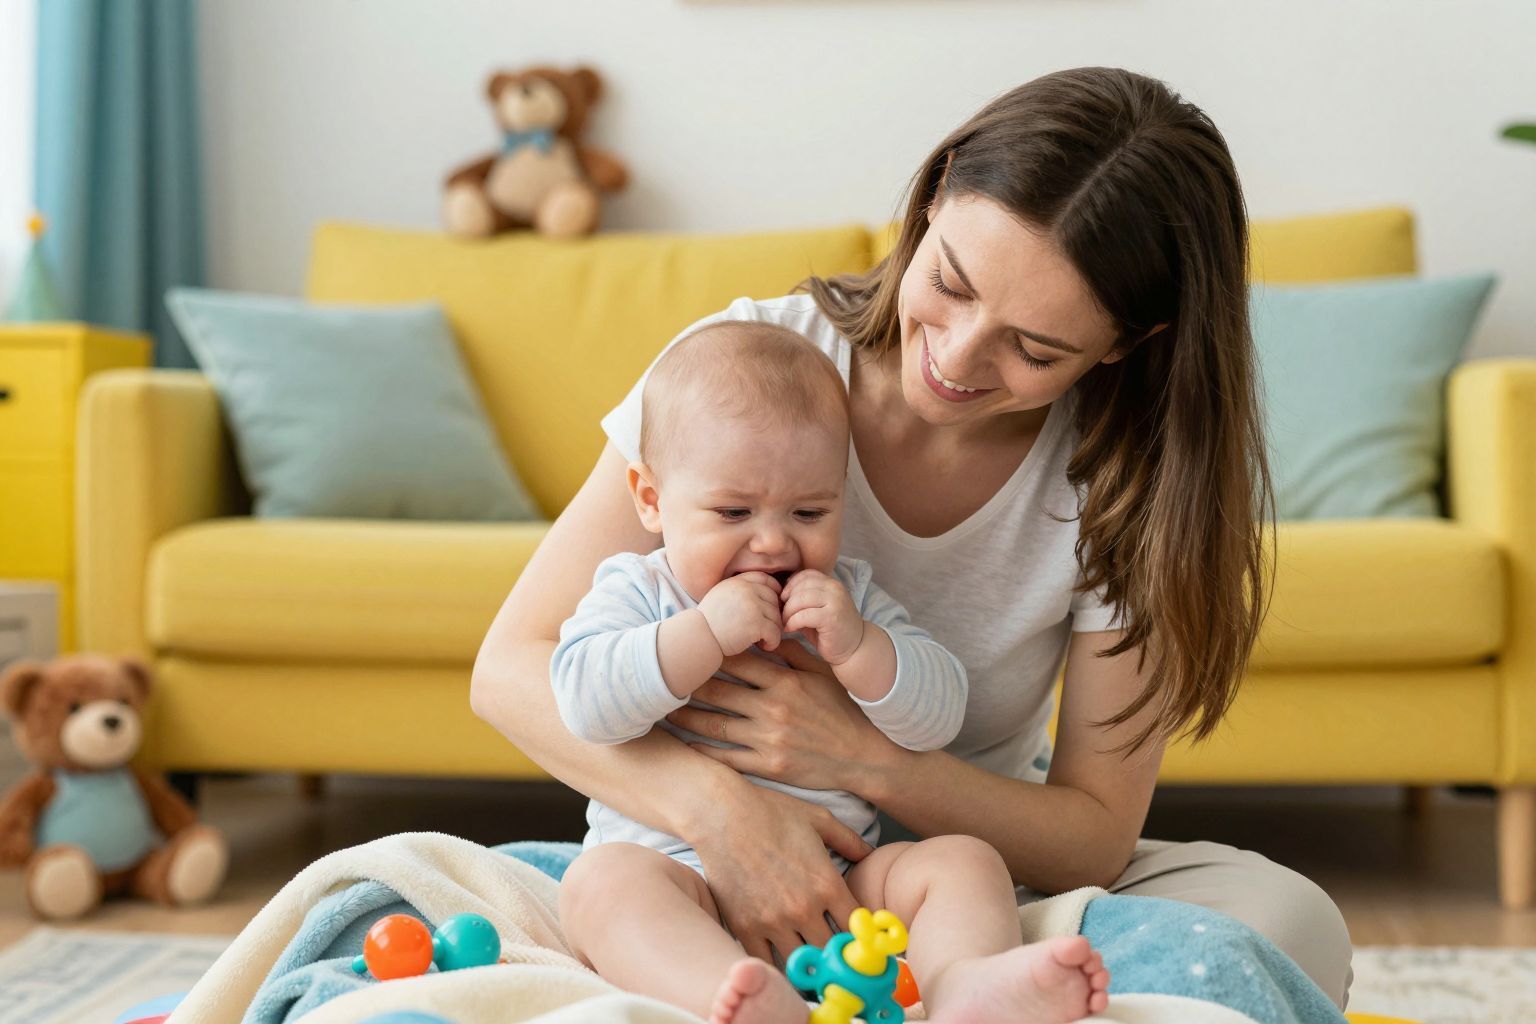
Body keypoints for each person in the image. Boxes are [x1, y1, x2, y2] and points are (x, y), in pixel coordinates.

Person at [471, 66, 1354, 1009]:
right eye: (950, 283)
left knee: (1290, 922)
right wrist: (726, 817)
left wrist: (861, 759)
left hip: (956, 881)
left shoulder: (1128, 478)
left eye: (1035, 348)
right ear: (933, 200)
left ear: (1125, 343)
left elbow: (1094, 835)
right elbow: (514, 670)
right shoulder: (746, 373)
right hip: (695, 858)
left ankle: (969, 990)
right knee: (568, 888)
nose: (958, 359)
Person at [551, 321, 1111, 1024]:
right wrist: (701, 635)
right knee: (599, 885)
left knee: (965, 862)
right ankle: (729, 998)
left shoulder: (847, 598)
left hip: (842, 893)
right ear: (651, 499)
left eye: (809, 512)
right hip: (679, 880)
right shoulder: (640, 591)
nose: (772, 541)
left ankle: (965, 987)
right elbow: (583, 703)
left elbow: (939, 717)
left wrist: (861, 649)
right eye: (733, 511)